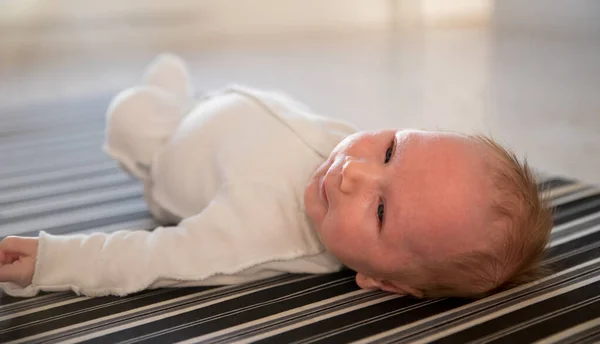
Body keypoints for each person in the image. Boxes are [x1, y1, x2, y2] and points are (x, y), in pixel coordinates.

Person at [0, 54, 553, 298]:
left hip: (168, 147)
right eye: (391, 149)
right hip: (225, 110)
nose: (354, 173)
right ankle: (187, 93)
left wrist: (52, 260)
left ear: (384, 281)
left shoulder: (257, 238)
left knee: (128, 114)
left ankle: (161, 99)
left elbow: (151, 258)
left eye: (381, 212)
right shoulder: (351, 153)